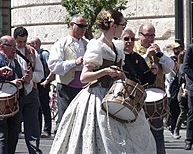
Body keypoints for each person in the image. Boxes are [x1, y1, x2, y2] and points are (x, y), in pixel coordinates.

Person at [49, 10, 157, 154]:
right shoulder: (96, 46)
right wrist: (105, 72)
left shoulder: (117, 46)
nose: (123, 28)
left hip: (116, 95)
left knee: (138, 135)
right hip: (98, 97)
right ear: (113, 25)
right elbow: (84, 77)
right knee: (102, 139)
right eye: (122, 25)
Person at [134, 23, 175, 154]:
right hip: (138, 97)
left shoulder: (158, 51)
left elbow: (170, 67)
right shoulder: (133, 49)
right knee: (139, 136)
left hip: (155, 97)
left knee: (158, 134)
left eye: (152, 35)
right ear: (140, 35)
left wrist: (160, 55)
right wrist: (146, 55)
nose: (150, 39)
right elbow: (133, 68)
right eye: (147, 36)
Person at [47, 14, 88, 133]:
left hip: (84, 88)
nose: (83, 29)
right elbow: (54, 65)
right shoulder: (61, 43)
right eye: (80, 26)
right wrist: (74, 63)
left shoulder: (87, 44)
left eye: (85, 26)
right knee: (65, 119)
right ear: (71, 25)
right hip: (66, 87)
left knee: (83, 121)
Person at [14, 27, 44, 154]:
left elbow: (40, 73)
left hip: (31, 92)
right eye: (19, 42)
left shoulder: (32, 52)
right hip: (15, 94)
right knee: (14, 127)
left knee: (32, 127)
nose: (21, 45)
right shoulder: (9, 51)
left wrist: (31, 78)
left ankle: (34, 151)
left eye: (24, 42)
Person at [0, 35, 32, 154]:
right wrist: (11, 83)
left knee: (13, 137)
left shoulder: (15, 61)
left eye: (15, 46)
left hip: (16, 102)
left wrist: (25, 80)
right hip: (2, 104)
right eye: (11, 46)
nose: (15, 49)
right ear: (2, 46)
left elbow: (18, 79)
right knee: (2, 136)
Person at [29, 37, 54, 138]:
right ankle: (37, 130)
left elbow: (51, 68)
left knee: (44, 107)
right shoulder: (31, 54)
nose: (29, 45)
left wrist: (47, 80)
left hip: (43, 83)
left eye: (31, 44)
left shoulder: (44, 54)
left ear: (36, 44)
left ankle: (47, 130)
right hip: (36, 83)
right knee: (37, 107)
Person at [164, 42, 182, 137]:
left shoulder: (180, 59)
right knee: (173, 109)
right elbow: (170, 75)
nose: (178, 50)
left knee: (176, 110)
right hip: (171, 88)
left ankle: (172, 126)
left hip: (177, 88)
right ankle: (172, 127)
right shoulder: (171, 60)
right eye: (176, 48)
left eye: (179, 48)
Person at [172, 50, 188, 139]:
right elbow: (183, 80)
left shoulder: (180, 66)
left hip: (182, 90)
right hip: (183, 91)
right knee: (183, 112)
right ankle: (176, 129)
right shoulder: (182, 67)